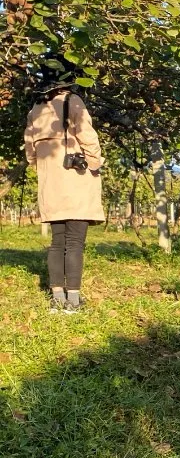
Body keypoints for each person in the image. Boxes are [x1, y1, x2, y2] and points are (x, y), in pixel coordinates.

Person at [24, 70, 104, 313]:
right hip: (75, 182)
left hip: (51, 184)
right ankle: (74, 300)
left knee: (57, 243)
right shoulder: (73, 102)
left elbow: (30, 151)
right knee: (75, 243)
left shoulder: (36, 109)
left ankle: (57, 297)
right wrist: (95, 163)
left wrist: (44, 166)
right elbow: (89, 138)